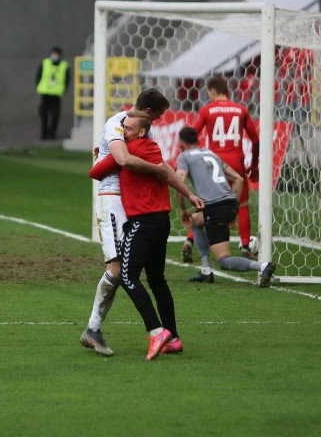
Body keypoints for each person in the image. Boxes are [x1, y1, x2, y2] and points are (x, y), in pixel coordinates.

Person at [89, 110, 204, 359]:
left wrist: (99, 156)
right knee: (157, 280)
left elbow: (97, 172)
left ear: (141, 130)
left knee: (128, 277)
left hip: (142, 222)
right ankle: (173, 337)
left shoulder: (129, 152)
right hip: (162, 221)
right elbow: (165, 170)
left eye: (128, 128)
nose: (123, 131)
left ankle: (155, 331)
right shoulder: (153, 148)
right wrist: (190, 194)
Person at [79, 88, 171, 357]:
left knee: (135, 272)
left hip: (130, 203)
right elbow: (120, 159)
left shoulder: (142, 130)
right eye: (157, 117)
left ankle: (165, 333)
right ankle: (94, 329)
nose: (155, 124)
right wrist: (156, 170)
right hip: (112, 200)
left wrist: (187, 192)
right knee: (119, 269)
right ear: (148, 113)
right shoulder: (118, 124)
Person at [174, 127, 276, 287]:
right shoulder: (210, 154)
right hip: (228, 203)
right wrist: (233, 209)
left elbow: (178, 181)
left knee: (223, 260)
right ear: (198, 141)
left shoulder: (184, 157)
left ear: (181, 143)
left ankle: (262, 266)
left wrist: (182, 208)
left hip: (215, 208)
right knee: (195, 221)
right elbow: (239, 179)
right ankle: (206, 270)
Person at [192, 75, 260, 260]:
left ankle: (189, 242)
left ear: (213, 91)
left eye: (209, 93)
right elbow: (255, 140)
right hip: (237, 162)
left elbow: (192, 134)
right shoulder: (241, 110)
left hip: (215, 162)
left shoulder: (207, 110)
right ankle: (245, 246)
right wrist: (254, 166)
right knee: (243, 204)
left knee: (207, 203)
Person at [35, 46, 70, 140]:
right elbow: (38, 76)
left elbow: (67, 79)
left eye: (56, 54)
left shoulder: (64, 65)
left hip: (56, 94)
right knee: (44, 114)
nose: (55, 56)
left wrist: (63, 90)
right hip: (45, 93)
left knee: (55, 115)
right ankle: (44, 134)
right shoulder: (45, 63)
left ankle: (52, 134)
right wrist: (38, 86)